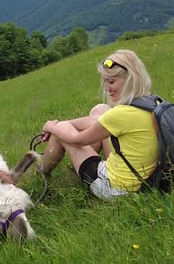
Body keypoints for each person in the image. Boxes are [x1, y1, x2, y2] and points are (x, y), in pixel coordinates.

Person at [39, 49, 158, 200]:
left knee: (61, 130)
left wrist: (51, 127)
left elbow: (78, 139)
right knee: (101, 109)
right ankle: (79, 163)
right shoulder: (150, 102)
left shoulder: (120, 115)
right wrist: (60, 124)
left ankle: (43, 174)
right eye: (105, 81)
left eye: (112, 81)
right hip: (141, 179)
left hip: (115, 188)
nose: (106, 88)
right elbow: (102, 121)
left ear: (130, 79)